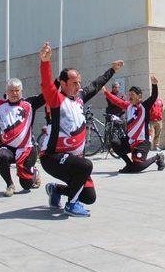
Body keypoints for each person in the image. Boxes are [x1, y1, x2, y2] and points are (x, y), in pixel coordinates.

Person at [39, 42, 123, 217]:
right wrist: (45, 63)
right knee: (86, 165)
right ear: (62, 83)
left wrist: (112, 70)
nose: (78, 86)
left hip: (74, 160)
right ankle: (71, 205)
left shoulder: (79, 98)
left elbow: (96, 85)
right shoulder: (56, 100)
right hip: (52, 158)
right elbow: (47, 85)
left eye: (79, 83)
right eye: (74, 83)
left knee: (89, 197)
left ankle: (55, 190)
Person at [103, 78, 165, 173]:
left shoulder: (144, 106)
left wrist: (154, 85)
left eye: (132, 95)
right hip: (130, 140)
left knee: (138, 167)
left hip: (142, 142)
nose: (130, 97)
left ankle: (158, 157)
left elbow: (153, 96)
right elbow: (117, 101)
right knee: (114, 143)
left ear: (139, 96)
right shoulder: (128, 106)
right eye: (129, 94)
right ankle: (129, 164)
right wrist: (106, 92)